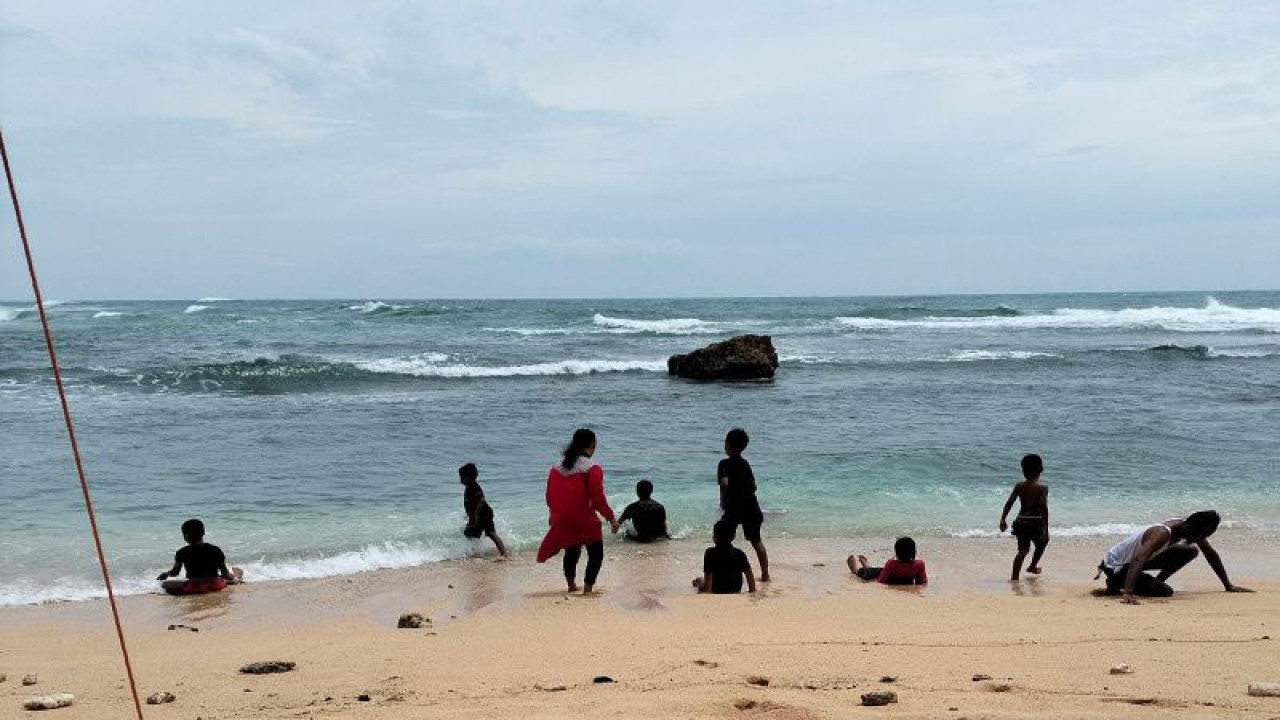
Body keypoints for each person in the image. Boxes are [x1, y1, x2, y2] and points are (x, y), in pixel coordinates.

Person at [1096, 510, 1253, 604]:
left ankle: (1152, 582)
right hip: (1115, 567)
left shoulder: (1184, 526)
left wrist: (1228, 585)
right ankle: (1119, 584)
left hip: (1129, 564)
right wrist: (1128, 592)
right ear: (1191, 527)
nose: (1201, 539)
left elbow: (1210, 553)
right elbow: (1139, 558)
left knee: (1190, 551)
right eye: (1201, 535)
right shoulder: (1162, 533)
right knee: (1165, 592)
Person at [536, 429, 620, 594]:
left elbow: (549, 497)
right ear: (592, 444)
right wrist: (611, 518)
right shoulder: (592, 468)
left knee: (572, 550)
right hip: (583, 518)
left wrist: (554, 517)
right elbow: (597, 499)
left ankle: (571, 586)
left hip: (561, 518)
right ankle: (587, 589)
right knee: (595, 553)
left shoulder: (555, 468)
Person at [717, 428, 770, 582]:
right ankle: (765, 574)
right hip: (750, 505)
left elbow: (724, 483)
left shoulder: (724, 464)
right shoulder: (745, 463)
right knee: (756, 541)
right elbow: (754, 486)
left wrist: (723, 501)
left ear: (727, 445)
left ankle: (723, 573)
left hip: (733, 506)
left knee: (723, 540)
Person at [156, 518, 243, 595]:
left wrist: (166, 574)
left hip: (194, 587)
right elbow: (225, 574)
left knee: (164, 584)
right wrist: (231, 577)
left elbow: (175, 572)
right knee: (225, 578)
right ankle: (236, 578)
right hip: (216, 585)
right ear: (203, 533)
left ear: (185, 536)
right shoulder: (215, 549)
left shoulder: (182, 552)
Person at [998, 453, 1050, 581]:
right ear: (1041, 470)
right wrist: (1045, 529)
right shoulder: (1043, 487)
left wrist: (1003, 519)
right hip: (1035, 522)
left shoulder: (1019, 485)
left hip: (1021, 521)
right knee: (1043, 542)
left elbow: (1009, 502)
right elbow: (1043, 507)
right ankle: (1032, 566)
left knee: (1023, 550)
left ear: (1023, 470)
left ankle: (1014, 577)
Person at [459, 462, 508, 558]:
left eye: (463, 477)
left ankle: (504, 554)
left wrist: (476, 515)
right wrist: (469, 516)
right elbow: (470, 504)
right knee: (469, 533)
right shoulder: (468, 487)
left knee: (491, 533)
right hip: (475, 515)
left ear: (470, 477)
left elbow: (481, 500)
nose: (461, 480)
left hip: (484, 514)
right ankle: (475, 553)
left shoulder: (474, 486)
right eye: (461, 477)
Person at [693, 519, 757, 594]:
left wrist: (703, 592)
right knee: (700, 581)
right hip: (735, 590)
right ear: (733, 537)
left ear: (715, 537)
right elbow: (750, 580)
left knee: (698, 581)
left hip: (716, 590)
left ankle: (698, 582)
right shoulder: (740, 554)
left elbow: (708, 589)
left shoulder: (710, 553)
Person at [846, 537, 928, 586]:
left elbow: (881, 581)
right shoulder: (919, 564)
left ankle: (859, 569)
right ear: (914, 551)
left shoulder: (892, 563)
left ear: (897, 552)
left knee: (868, 572)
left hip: (886, 574)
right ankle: (861, 568)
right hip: (887, 572)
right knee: (872, 571)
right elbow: (922, 582)